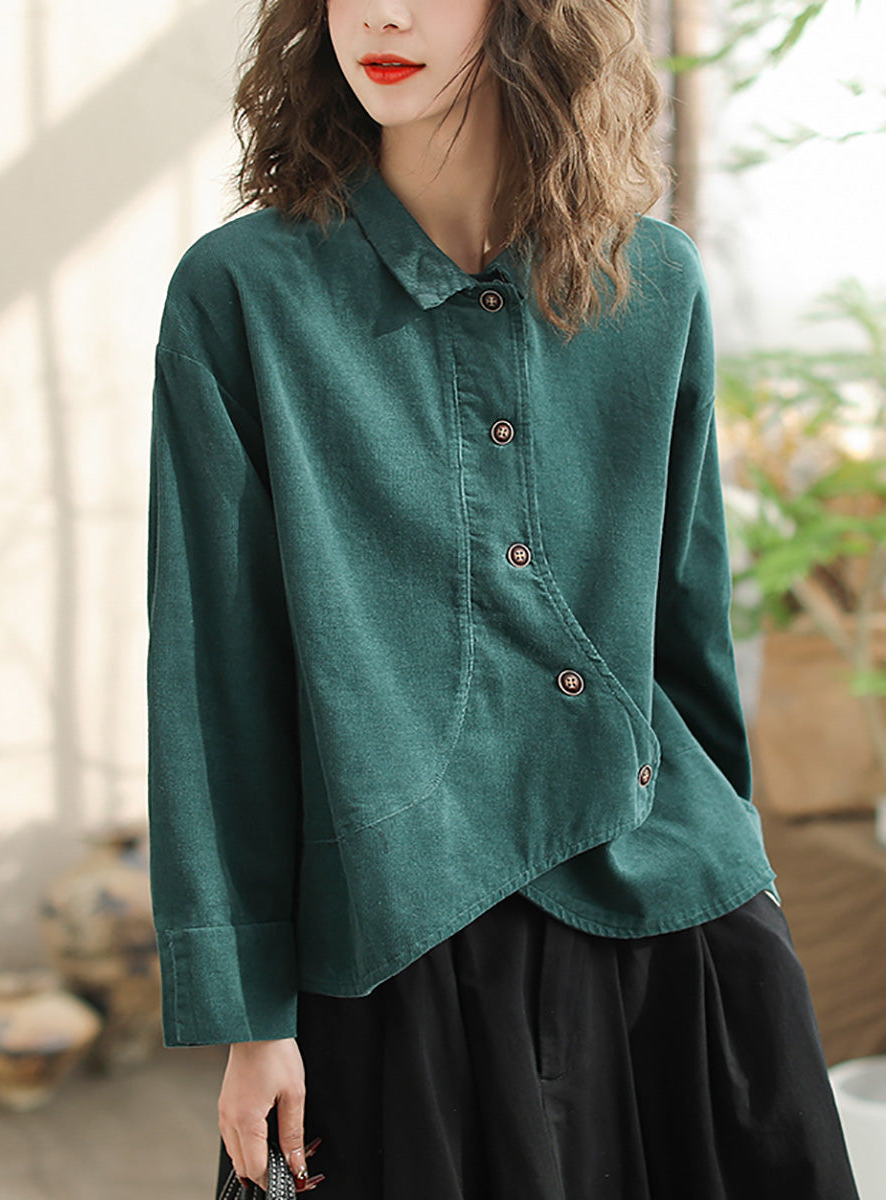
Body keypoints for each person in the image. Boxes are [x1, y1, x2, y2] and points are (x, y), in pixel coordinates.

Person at [145, 1, 861, 1197]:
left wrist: (740, 860)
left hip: (667, 910)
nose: (382, 13)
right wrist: (250, 1013)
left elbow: (686, 628)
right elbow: (215, 674)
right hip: (395, 926)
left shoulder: (653, 283)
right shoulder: (242, 295)